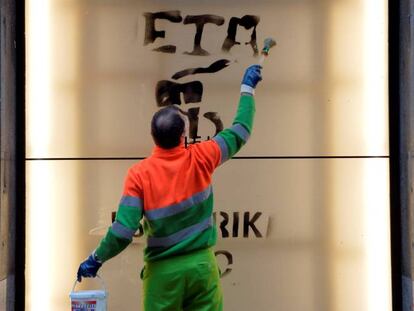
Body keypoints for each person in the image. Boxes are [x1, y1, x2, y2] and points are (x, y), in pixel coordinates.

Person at [77, 64, 263, 311]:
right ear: (183, 135)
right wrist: (247, 88)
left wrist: (96, 258)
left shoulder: (139, 176)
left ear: (152, 135)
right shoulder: (202, 156)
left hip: (163, 276)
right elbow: (241, 130)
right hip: (202, 269)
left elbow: (123, 231)